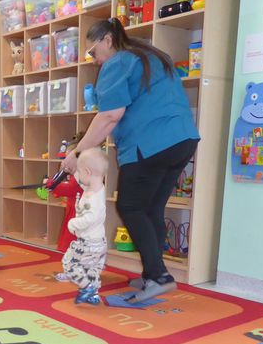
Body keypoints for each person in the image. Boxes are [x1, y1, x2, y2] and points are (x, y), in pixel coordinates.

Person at [61, 18, 199, 302]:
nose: (95, 60)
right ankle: (153, 273)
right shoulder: (151, 56)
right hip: (182, 139)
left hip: (152, 143)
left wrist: (77, 154)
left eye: (93, 52)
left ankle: (159, 276)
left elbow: (110, 115)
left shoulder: (118, 62)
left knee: (130, 206)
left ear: (108, 40)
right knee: (151, 208)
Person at [61, 148, 109, 305]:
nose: (79, 177)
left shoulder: (93, 199)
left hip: (88, 242)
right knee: (91, 269)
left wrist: (73, 223)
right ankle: (93, 295)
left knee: (69, 264)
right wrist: (74, 170)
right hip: (98, 242)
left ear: (88, 172)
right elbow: (84, 181)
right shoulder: (96, 188)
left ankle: (87, 287)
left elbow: (90, 218)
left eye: (80, 172)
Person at [47, 172, 83, 282]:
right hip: (77, 211)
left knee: (73, 243)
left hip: (78, 213)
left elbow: (70, 188)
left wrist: (50, 184)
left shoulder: (79, 173)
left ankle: (72, 272)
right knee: (77, 244)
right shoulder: (78, 172)